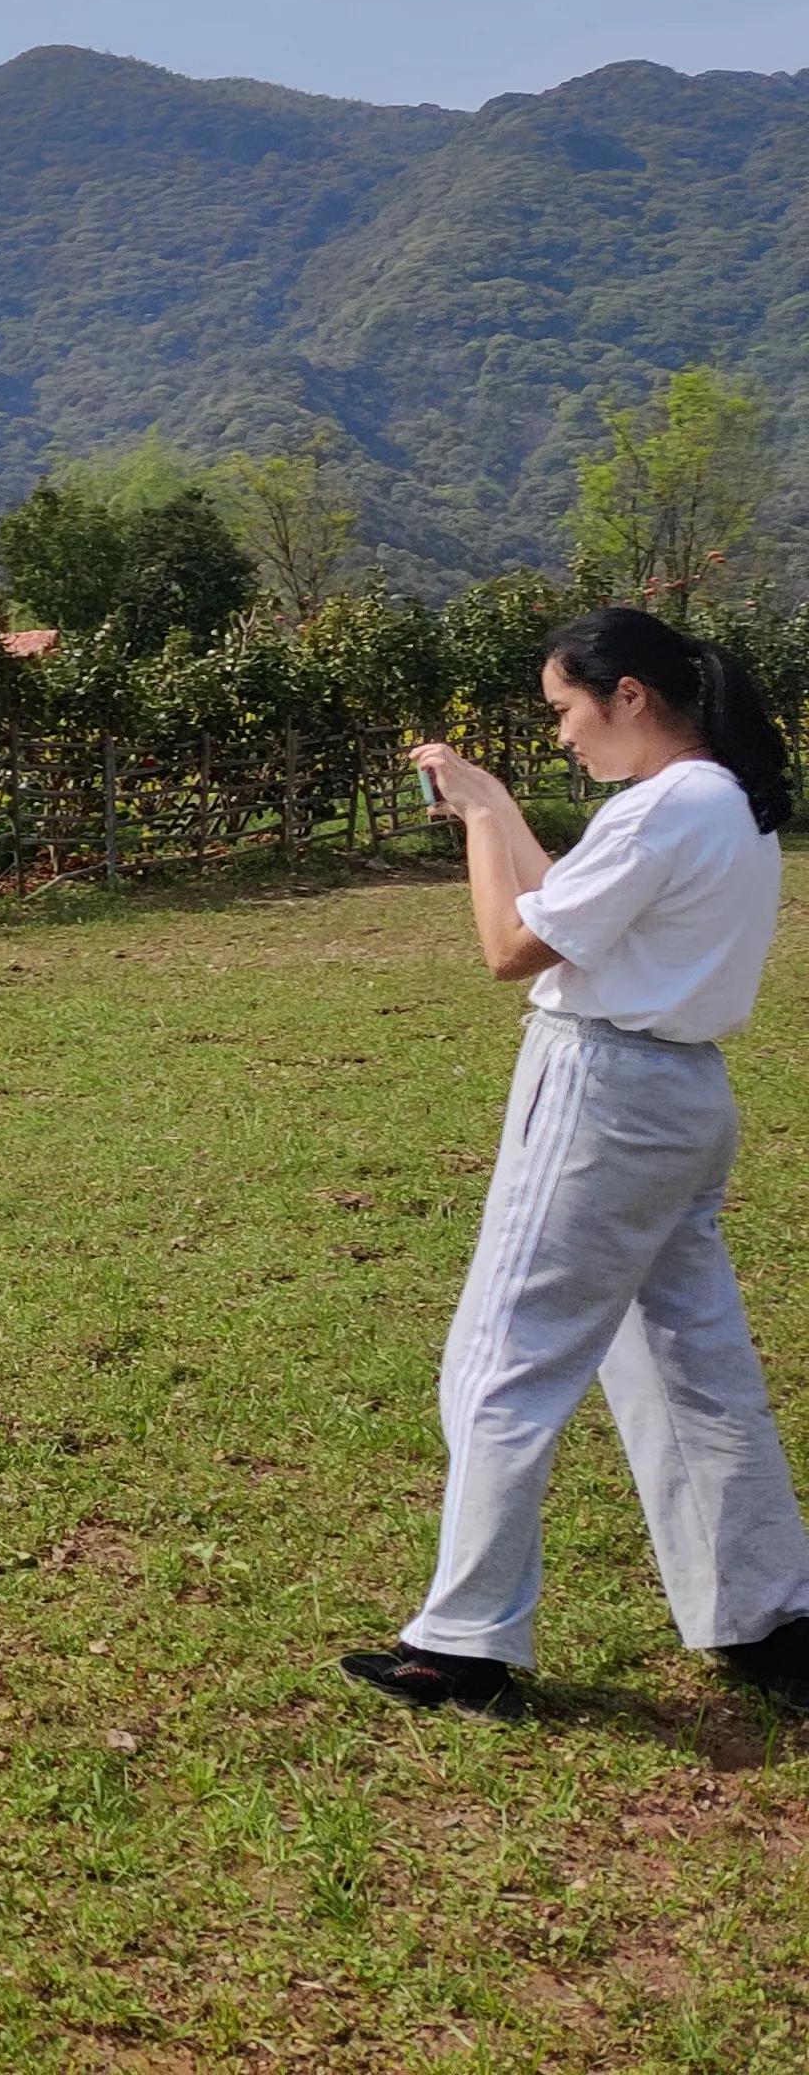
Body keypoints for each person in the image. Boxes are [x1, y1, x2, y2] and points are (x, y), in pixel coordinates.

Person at [347, 607, 809, 1715]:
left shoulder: (661, 809)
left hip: (601, 1095)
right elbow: (567, 913)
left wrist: (468, 826)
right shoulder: (719, 804)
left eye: (564, 710)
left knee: (503, 1357)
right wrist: (495, 803)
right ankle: (771, 1620)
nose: (562, 735)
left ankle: (465, 1644)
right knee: (692, 1366)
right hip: (680, 1099)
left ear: (629, 695)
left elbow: (511, 947)